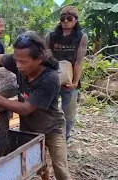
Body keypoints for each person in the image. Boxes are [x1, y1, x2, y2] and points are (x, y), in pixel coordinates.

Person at [0, 31, 71, 180]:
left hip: (52, 129)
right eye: (16, 60)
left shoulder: (50, 78)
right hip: (29, 128)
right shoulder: (19, 60)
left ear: (39, 58)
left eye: (23, 62)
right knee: (38, 163)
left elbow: (25, 109)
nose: (18, 65)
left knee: (61, 169)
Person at [45, 6, 88, 141]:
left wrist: (75, 82)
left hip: (70, 80)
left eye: (69, 18)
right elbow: (46, 58)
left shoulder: (81, 37)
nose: (66, 21)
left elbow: (79, 61)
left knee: (69, 112)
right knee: (49, 109)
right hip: (52, 78)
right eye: (63, 19)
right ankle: (50, 135)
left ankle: (66, 136)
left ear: (76, 20)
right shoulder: (51, 37)